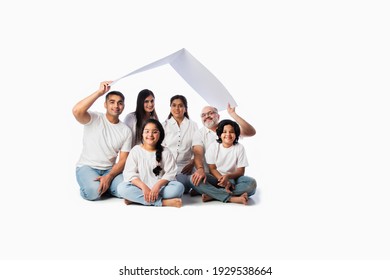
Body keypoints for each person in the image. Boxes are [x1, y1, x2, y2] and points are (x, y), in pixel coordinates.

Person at [73, 81, 132, 201]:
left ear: (123, 106)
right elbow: (76, 111)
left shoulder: (126, 131)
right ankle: (95, 188)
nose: (116, 106)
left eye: (120, 103)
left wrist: (109, 176)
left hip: (109, 170)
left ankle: (104, 187)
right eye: (112, 102)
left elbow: (123, 160)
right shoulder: (94, 118)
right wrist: (99, 92)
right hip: (87, 167)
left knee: (126, 189)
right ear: (105, 104)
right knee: (93, 192)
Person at [190, 104, 257, 196]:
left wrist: (233, 114)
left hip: (233, 177)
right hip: (212, 177)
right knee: (193, 179)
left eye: (210, 113)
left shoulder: (228, 129)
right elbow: (198, 153)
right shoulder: (200, 134)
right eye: (203, 115)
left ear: (218, 116)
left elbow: (251, 132)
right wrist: (200, 169)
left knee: (251, 185)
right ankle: (229, 194)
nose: (207, 116)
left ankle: (212, 194)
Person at [117, 119, 184, 207]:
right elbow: (129, 173)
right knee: (121, 188)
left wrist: (157, 186)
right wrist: (144, 188)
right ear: (142, 133)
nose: (150, 135)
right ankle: (164, 202)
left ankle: (136, 199)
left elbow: (170, 173)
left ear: (160, 134)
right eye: (147, 131)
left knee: (178, 188)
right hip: (140, 188)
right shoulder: (136, 150)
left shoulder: (166, 152)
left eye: (154, 132)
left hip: (160, 188)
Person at [162, 95, 199, 193]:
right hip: (167, 167)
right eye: (174, 105)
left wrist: (192, 162)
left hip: (185, 168)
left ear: (185, 109)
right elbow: (159, 149)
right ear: (170, 108)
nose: (177, 108)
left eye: (180, 105)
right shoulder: (164, 125)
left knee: (180, 185)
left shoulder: (193, 125)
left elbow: (198, 148)